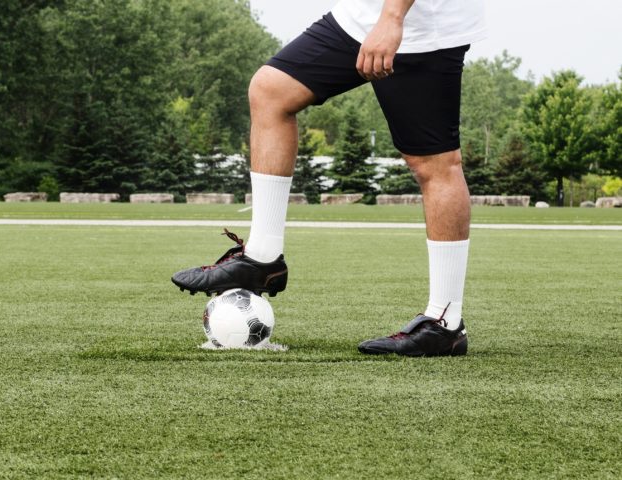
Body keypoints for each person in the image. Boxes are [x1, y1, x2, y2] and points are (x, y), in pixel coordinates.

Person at [171, 0, 487, 357]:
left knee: (434, 165)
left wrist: (392, 17)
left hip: (419, 30)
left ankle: (445, 322)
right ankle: (261, 259)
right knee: (271, 90)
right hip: (361, 17)